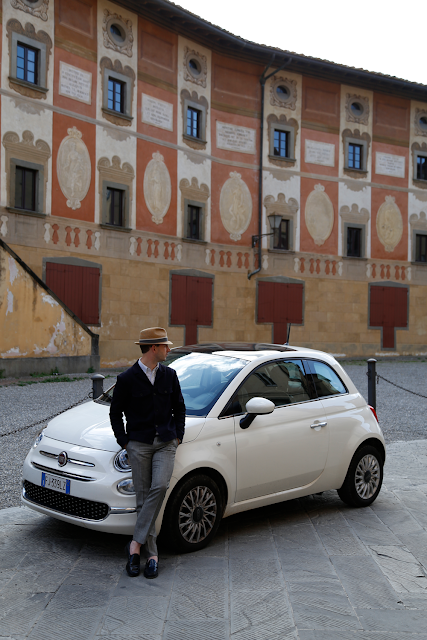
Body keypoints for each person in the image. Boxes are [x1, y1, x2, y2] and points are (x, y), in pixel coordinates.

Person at [110, 327, 186, 578]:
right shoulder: (127, 379)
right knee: (142, 500)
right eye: (165, 346)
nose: (168, 349)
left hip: (165, 442)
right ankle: (151, 555)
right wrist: (125, 442)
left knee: (161, 486)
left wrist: (177, 436)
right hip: (139, 445)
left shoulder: (170, 375)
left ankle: (134, 546)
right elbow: (115, 413)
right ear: (154, 348)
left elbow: (179, 407)